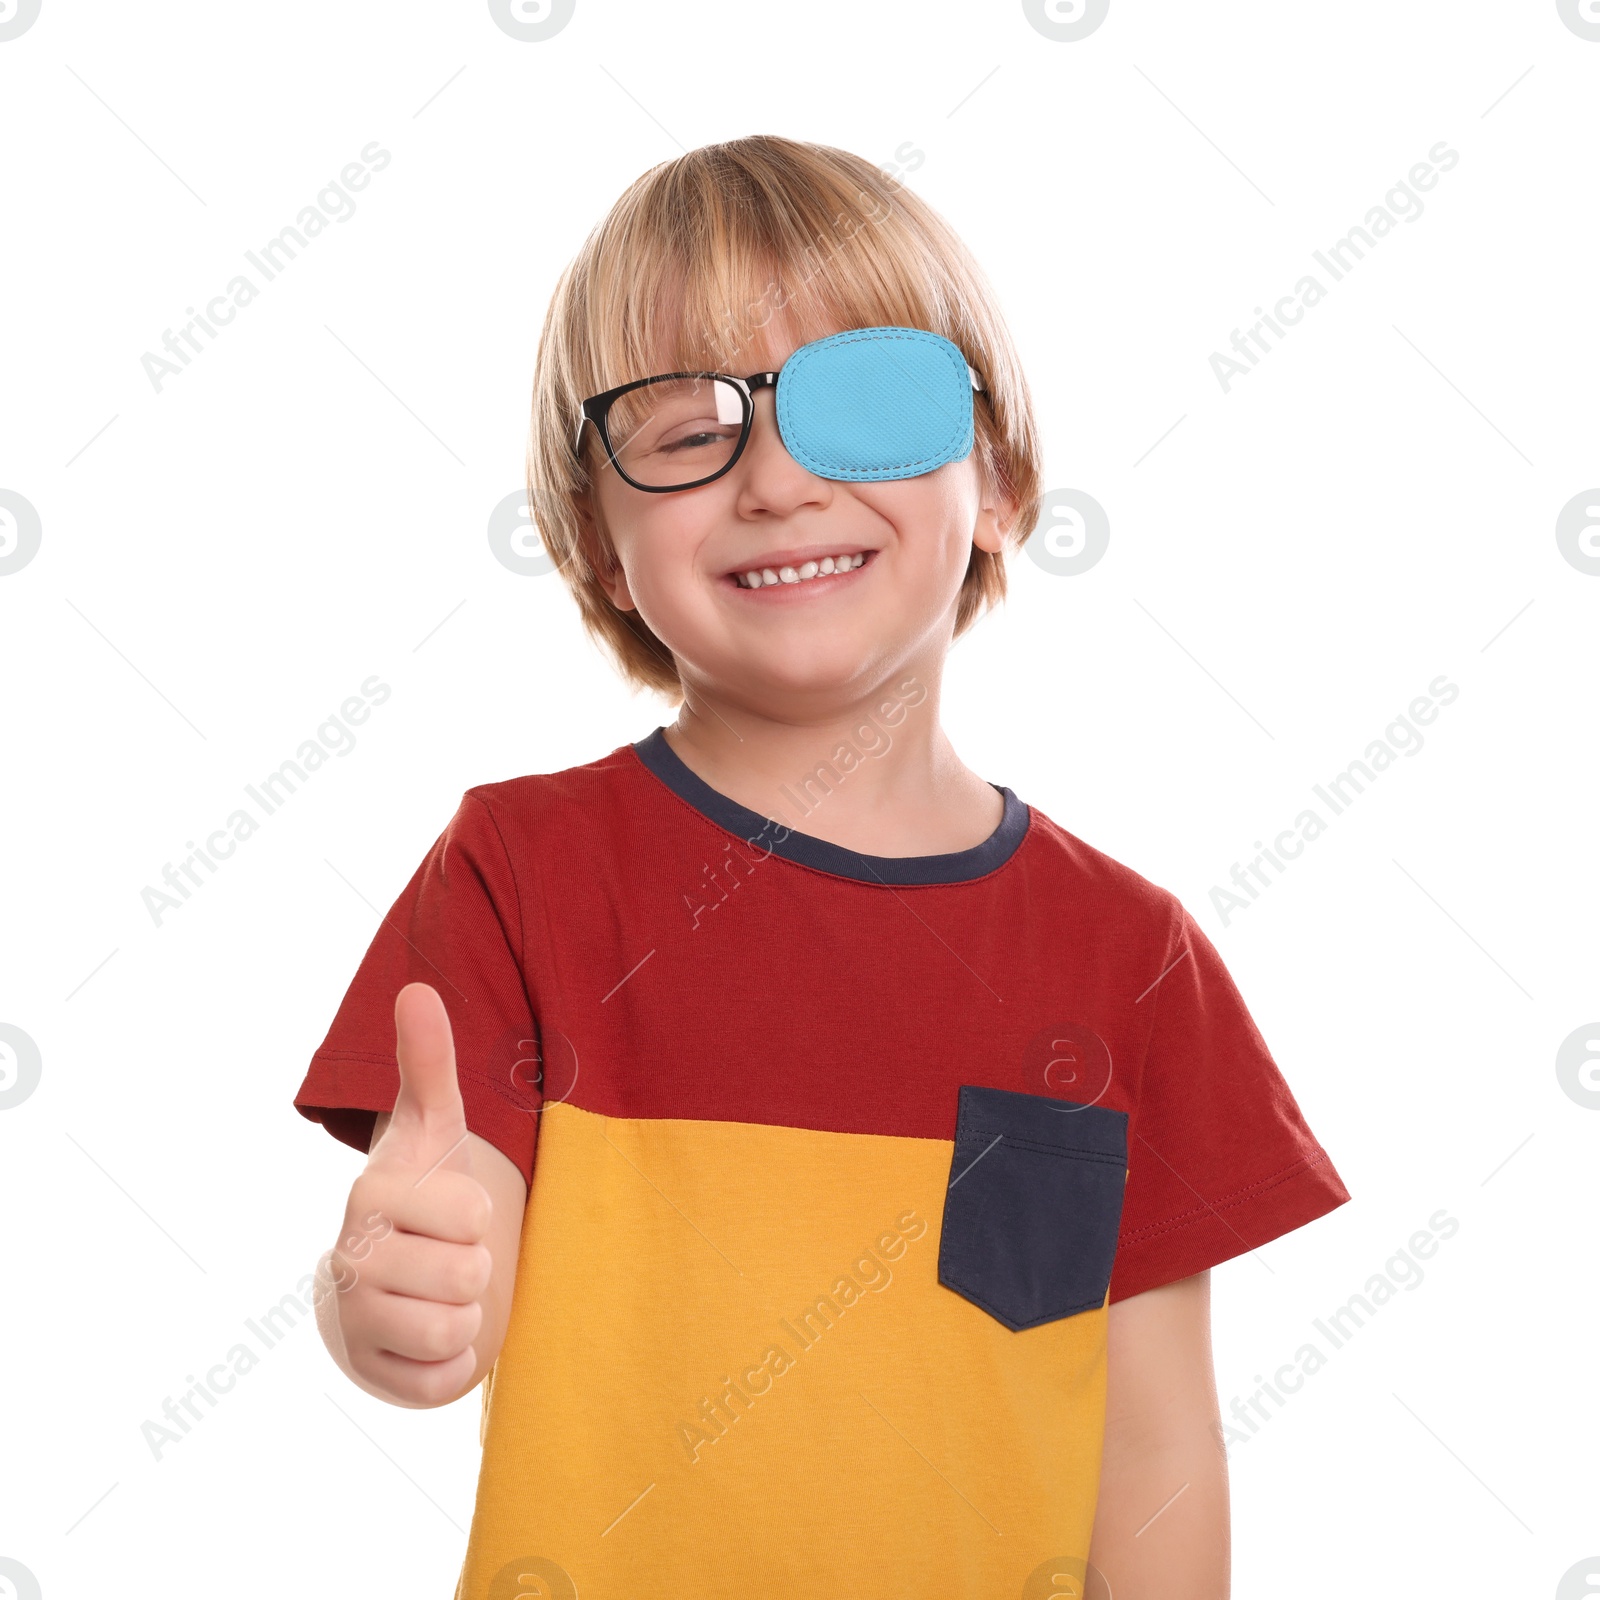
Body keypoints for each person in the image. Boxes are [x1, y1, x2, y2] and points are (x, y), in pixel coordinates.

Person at [293, 133, 1349, 1599]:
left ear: (998, 485)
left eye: (869, 403)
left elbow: (1155, 1445)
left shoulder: (1132, 960)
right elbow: (444, 1313)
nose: (779, 480)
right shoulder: (519, 873)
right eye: (680, 430)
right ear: (598, 544)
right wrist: (382, 1296)